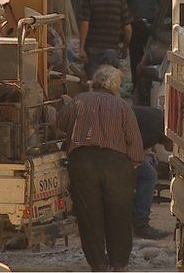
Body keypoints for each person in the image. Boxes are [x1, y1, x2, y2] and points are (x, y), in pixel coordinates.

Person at [57, 65, 144, 271]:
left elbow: (60, 124)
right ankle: (119, 264)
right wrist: (134, 163)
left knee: (89, 216)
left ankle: (97, 264)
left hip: (83, 162)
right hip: (116, 164)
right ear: (115, 86)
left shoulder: (78, 101)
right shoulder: (122, 107)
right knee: (120, 215)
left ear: (94, 83)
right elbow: (134, 142)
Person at [117, 0, 165, 94]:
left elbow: (163, 3)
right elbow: (120, 6)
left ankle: (152, 85)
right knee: (136, 58)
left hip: (152, 26)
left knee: (153, 56)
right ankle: (137, 86)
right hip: (135, 26)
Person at [79, 0, 133, 80]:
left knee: (93, 83)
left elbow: (85, 23)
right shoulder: (119, 0)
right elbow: (128, 28)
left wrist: (81, 48)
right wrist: (124, 47)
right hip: (112, 49)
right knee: (110, 83)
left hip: (92, 48)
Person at [131, 106, 173, 239]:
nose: (171, 149)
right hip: (116, 148)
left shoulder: (159, 122)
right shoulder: (155, 132)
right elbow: (135, 150)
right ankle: (141, 224)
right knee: (149, 176)